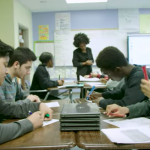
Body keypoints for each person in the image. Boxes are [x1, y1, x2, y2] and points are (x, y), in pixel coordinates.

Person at [0, 40, 53, 144]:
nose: (6, 71)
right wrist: (29, 123)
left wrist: (38, 106)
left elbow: (5, 108)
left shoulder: (14, 81)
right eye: (5, 65)